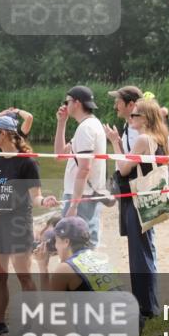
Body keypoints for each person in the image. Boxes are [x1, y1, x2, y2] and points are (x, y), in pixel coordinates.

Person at [0, 116, 57, 336]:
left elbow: (36, 197)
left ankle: (33, 324)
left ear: (3, 134)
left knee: (24, 276)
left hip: (18, 226)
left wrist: (45, 201)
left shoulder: (26, 162)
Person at [105, 89, 169, 326]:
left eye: (135, 115)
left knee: (139, 255)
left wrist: (114, 143)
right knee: (145, 251)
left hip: (139, 200)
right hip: (150, 197)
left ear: (145, 118)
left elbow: (124, 168)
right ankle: (148, 304)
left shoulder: (144, 139)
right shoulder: (159, 137)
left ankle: (146, 307)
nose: (131, 118)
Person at [53, 85, 108, 247]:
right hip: (87, 193)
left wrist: (74, 204)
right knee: (86, 242)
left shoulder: (86, 128)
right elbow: (60, 155)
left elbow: (84, 168)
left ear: (76, 103)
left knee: (76, 245)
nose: (65, 105)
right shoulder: (90, 125)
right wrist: (61, 123)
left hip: (81, 195)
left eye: (67, 101)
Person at [36, 217, 122, 292]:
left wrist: (42, 266)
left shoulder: (65, 268)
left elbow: (49, 303)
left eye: (57, 240)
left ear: (66, 242)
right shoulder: (101, 257)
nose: (55, 246)